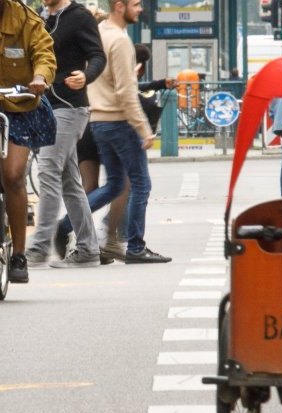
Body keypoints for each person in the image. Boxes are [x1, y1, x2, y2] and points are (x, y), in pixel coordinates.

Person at [85, 0, 169, 263]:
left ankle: (67, 226)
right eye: (136, 4)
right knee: (140, 183)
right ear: (119, 6)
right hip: (118, 120)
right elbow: (126, 91)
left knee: (114, 184)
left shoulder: (98, 34)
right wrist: (143, 128)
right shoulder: (120, 40)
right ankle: (135, 246)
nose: (141, 9)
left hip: (97, 119)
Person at [28, 0, 105, 269]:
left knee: (48, 171)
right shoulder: (39, 17)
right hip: (45, 106)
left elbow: (98, 55)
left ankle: (37, 248)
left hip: (70, 106)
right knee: (70, 182)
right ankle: (88, 249)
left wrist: (86, 75)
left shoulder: (79, 16)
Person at [0, 0, 56, 284]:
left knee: (12, 175)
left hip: (18, 107)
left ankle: (19, 254)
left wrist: (39, 77)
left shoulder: (25, 18)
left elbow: (44, 54)